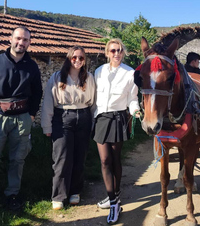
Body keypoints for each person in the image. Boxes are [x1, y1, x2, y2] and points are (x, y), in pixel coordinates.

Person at [0, 26, 43, 210]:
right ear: (10, 39)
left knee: (18, 158)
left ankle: (12, 195)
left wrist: (32, 115)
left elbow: (37, 92)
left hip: (22, 118)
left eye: (26, 40)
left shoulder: (32, 66)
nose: (21, 42)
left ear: (29, 43)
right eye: (18, 38)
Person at [41, 46, 96, 210]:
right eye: (74, 58)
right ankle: (58, 196)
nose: (78, 61)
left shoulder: (89, 78)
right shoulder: (57, 77)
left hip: (84, 117)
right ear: (69, 59)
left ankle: (75, 191)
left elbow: (93, 102)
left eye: (81, 58)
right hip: (62, 117)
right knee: (62, 158)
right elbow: (48, 103)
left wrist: (93, 124)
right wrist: (46, 126)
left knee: (80, 157)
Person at [93, 38, 141, 225]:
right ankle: (113, 200)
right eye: (113, 50)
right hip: (101, 118)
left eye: (120, 50)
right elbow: (95, 95)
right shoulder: (99, 71)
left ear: (124, 52)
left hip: (118, 118)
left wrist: (135, 110)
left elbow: (132, 98)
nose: (116, 54)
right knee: (104, 160)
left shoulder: (130, 73)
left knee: (114, 159)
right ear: (107, 53)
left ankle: (115, 196)